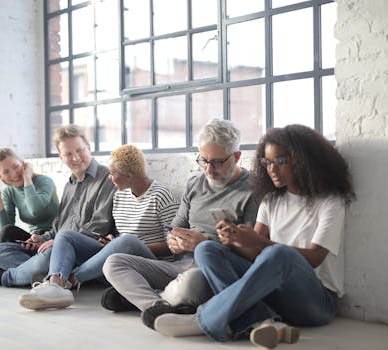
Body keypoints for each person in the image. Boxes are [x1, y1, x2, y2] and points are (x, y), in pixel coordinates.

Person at [150, 125, 355, 349]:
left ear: (303, 160)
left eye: (281, 161)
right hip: (273, 296)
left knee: (279, 253)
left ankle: (205, 319)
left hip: (315, 302)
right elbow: (254, 255)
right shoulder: (271, 200)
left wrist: (258, 242)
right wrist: (236, 240)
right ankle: (261, 322)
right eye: (267, 163)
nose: (272, 170)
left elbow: (315, 257)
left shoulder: (330, 202)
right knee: (207, 249)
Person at [101, 118, 259, 325]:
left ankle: (144, 298)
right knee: (113, 263)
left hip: (211, 271)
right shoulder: (195, 184)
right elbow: (174, 227)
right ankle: (159, 306)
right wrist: (173, 241)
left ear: (237, 157)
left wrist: (205, 244)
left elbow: (253, 252)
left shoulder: (252, 190)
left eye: (217, 162)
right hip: (179, 266)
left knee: (191, 285)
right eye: (203, 160)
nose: (209, 169)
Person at [18, 144, 180, 310]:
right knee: (66, 236)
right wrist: (111, 240)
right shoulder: (120, 196)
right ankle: (55, 285)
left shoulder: (161, 196)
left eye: (113, 173)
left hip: (148, 266)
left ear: (129, 176)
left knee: (127, 242)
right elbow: (121, 235)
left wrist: (124, 245)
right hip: (116, 265)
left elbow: (173, 247)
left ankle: (69, 281)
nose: (109, 177)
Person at [0, 124, 117, 286]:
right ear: (61, 158)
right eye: (68, 154)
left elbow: (98, 228)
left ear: (89, 147)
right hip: (58, 244)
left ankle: (4, 277)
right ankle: (54, 272)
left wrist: (57, 242)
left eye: (79, 150)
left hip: (85, 248)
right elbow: (58, 226)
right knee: (1, 251)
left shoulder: (106, 178)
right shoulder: (70, 185)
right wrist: (42, 238)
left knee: (51, 254)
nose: (76, 158)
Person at [0, 148, 59, 269]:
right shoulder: (9, 192)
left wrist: (27, 179)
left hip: (49, 239)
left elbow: (35, 209)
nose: (13, 174)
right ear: (0, 177)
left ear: (24, 165)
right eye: (6, 171)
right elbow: (4, 228)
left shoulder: (44, 182)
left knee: (9, 231)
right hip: (30, 240)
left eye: (15, 167)